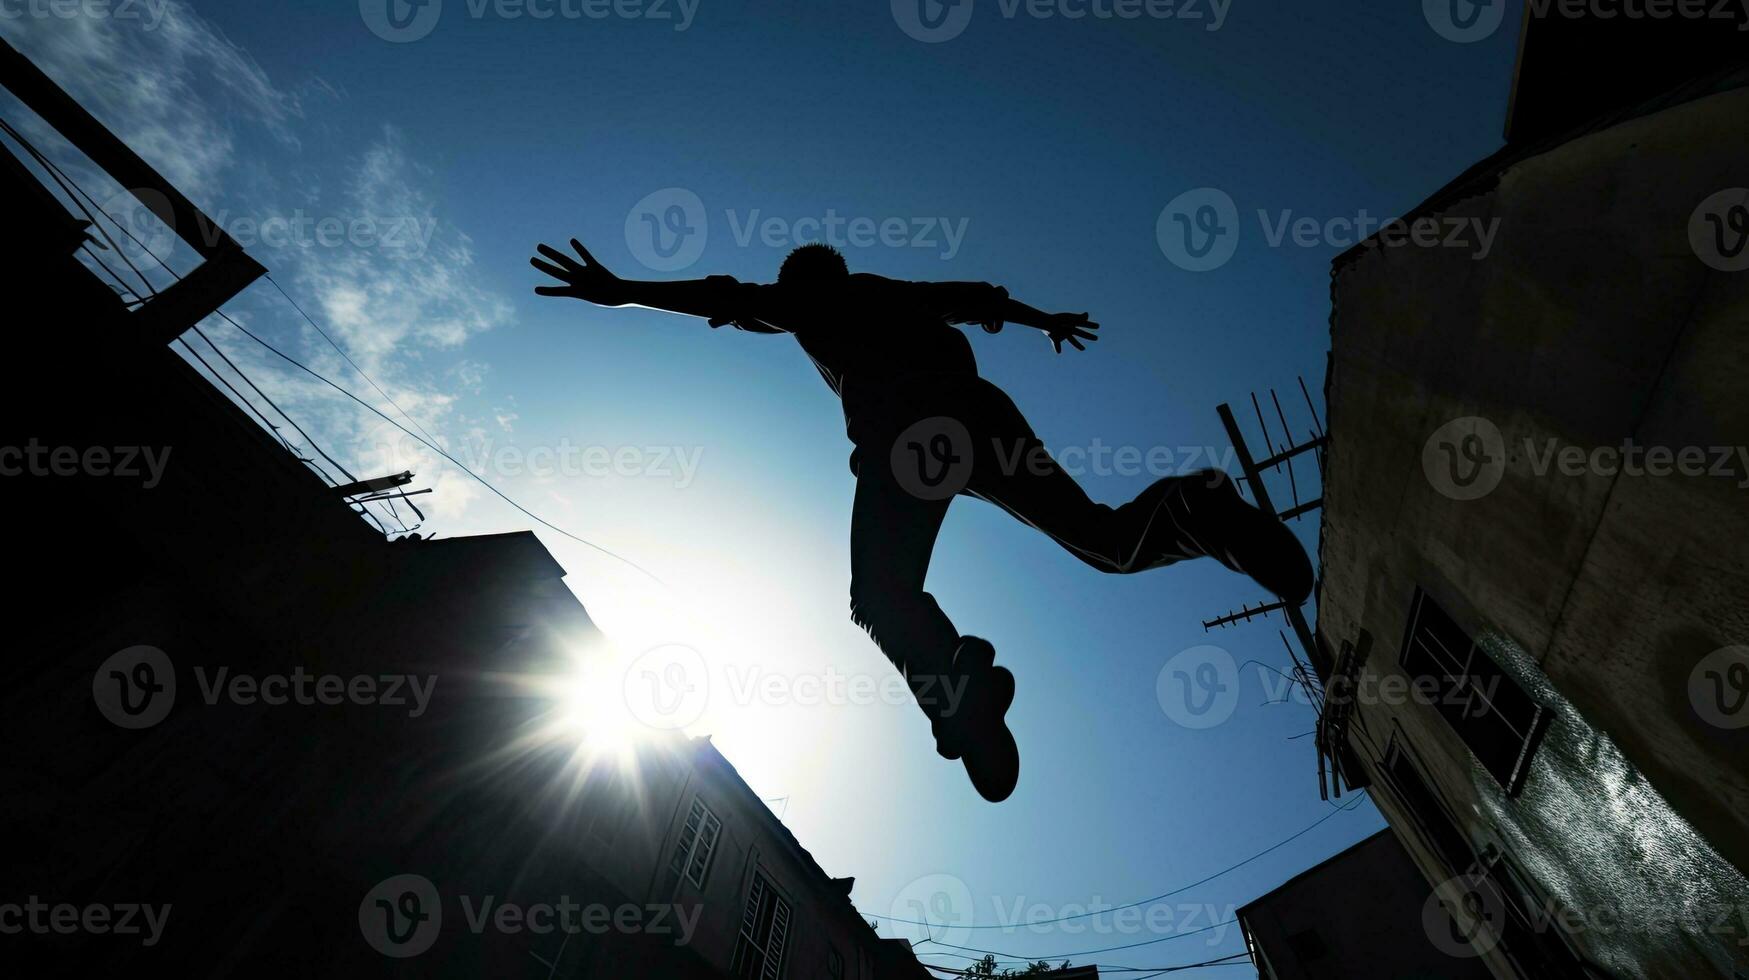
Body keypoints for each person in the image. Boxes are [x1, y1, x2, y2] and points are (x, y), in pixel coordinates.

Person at [531, 239, 1312, 802]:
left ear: (803, 287)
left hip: (908, 439)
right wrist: (1044, 320)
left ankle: (956, 684)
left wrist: (625, 287)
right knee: (1103, 539)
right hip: (983, 418)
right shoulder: (895, 289)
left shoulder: (806, 302)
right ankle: (1196, 514)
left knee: (880, 595)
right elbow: (976, 297)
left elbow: (724, 296)